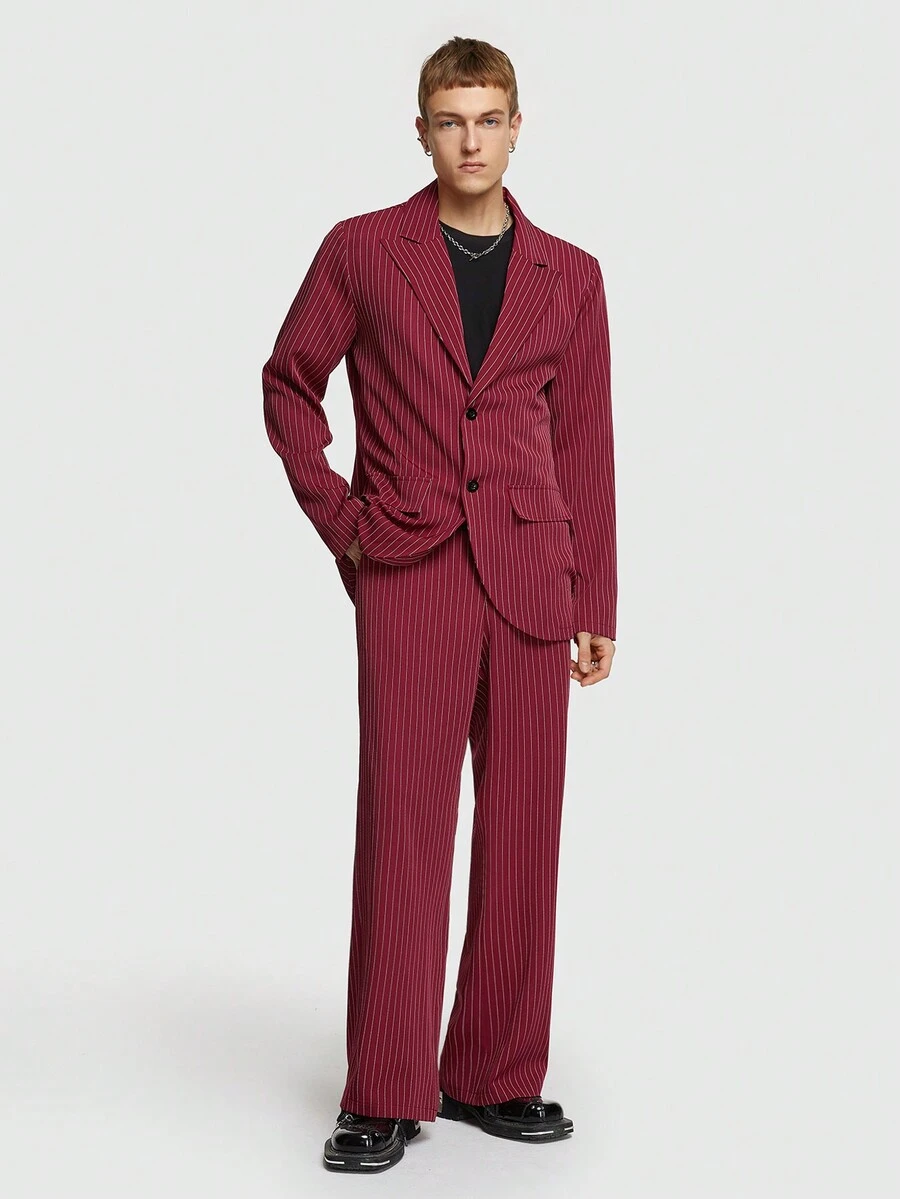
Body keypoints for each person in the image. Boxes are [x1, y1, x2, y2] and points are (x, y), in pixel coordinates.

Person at [261, 35, 617, 1175]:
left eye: (489, 118)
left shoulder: (572, 274)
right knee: (404, 830)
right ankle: (386, 1088)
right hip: (409, 568)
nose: (471, 140)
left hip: (533, 580)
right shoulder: (364, 250)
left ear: (517, 128)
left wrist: (597, 594)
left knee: (524, 832)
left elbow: (586, 441)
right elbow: (289, 382)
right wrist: (344, 520)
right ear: (421, 131)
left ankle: (495, 1072)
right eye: (451, 120)